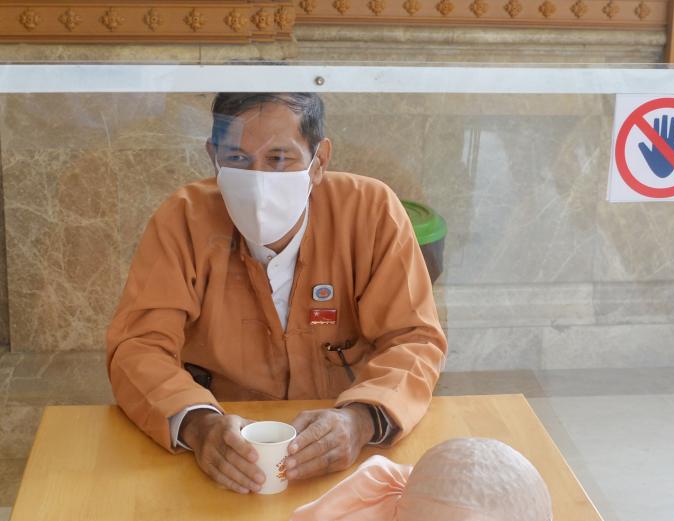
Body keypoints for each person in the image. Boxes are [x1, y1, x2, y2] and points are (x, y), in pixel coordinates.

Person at [106, 92, 447, 494]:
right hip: (226, 451)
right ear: (212, 156)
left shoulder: (370, 212)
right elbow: (138, 347)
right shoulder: (183, 219)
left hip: (343, 455)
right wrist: (200, 425)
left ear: (318, 162)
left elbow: (415, 339)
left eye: (279, 160)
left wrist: (361, 421)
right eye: (237, 159)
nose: (258, 182)